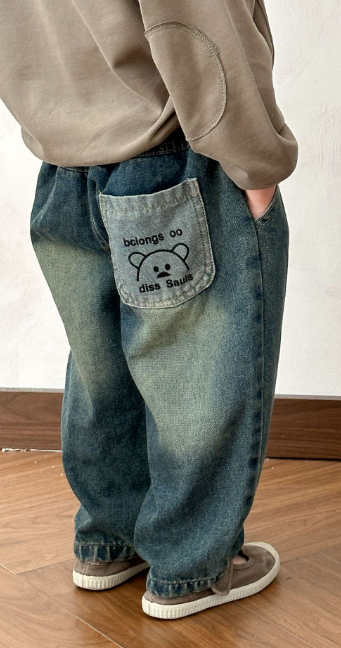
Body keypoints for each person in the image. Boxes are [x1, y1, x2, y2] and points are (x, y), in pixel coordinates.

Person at [0, 1, 297, 619]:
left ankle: (110, 541)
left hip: (61, 166)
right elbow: (198, 19)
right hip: (168, 155)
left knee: (100, 367)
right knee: (196, 378)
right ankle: (191, 567)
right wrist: (255, 158)